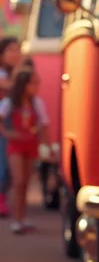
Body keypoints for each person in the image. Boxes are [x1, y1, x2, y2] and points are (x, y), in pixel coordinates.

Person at [0, 66, 50, 234]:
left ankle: (22, 218)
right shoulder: (9, 103)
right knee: (18, 180)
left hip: (31, 144)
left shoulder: (37, 103)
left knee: (26, 183)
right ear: (23, 84)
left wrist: (47, 146)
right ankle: (16, 219)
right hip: (16, 145)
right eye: (33, 83)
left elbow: (44, 125)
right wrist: (8, 133)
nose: (37, 86)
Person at [0, 36, 22, 218]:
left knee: (8, 163)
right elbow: (12, 87)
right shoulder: (5, 75)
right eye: (11, 50)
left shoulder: (15, 73)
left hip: (12, 122)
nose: (16, 54)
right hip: (3, 122)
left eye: (18, 49)